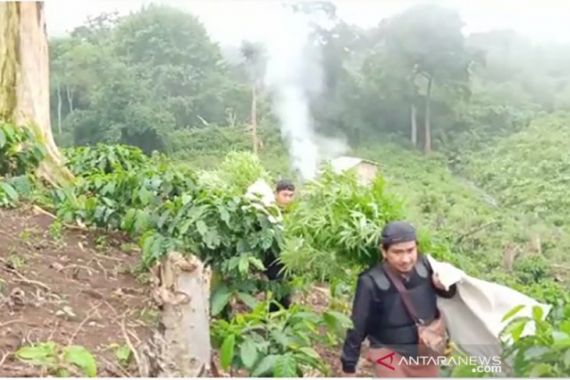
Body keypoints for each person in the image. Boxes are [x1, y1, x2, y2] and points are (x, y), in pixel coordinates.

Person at [340, 221, 457, 377]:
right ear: (384, 251)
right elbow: (357, 324)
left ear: (417, 247)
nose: (406, 259)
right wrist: (349, 365)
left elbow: (450, 296)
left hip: (426, 349)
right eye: (397, 252)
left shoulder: (427, 267)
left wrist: (444, 287)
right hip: (387, 351)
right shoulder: (371, 281)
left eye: (410, 250)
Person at [263, 179, 296, 312]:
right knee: (278, 289)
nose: (287, 199)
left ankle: (278, 319)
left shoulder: (294, 214)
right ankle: (273, 318)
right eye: (285, 195)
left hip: (288, 260)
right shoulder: (269, 212)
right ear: (276, 194)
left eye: (290, 195)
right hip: (272, 258)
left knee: (285, 291)